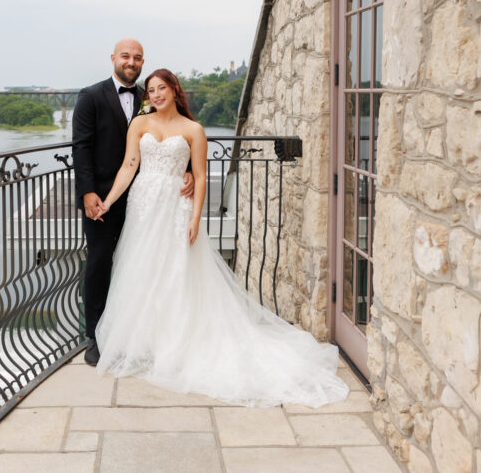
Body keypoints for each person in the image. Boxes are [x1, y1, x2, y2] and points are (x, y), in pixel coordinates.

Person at [92, 68, 349, 407]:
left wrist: (196, 219)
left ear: (173, 90)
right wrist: (108, 201)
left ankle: (176, 342)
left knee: (175, 272)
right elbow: (129, 166)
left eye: (161, 89)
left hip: (174, 208)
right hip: (142, 207)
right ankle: (147, 341)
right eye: (151, 90)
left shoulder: (193, 130)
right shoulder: (139, 124)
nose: (155, 95)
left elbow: (199, 177)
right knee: (142, 268)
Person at [72, 39, 193, 366]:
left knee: (142, 263)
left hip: (147, 200)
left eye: (137, 58)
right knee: (99, 263)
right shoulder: (90, 96)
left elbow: (178, 135)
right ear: (113, 58)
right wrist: (88, 193)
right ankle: (95, 336)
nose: (131, 62)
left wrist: (191, 170)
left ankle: (137, 333)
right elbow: (81, 147)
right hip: (102, 197)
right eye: (126, 56)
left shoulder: (149, 95)